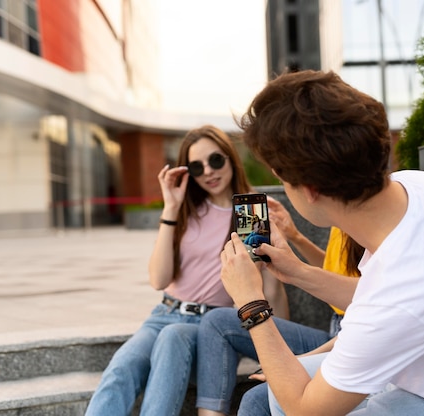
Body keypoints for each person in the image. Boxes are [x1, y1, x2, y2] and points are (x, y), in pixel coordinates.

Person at [218, 70, 424, 415]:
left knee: (279, 400)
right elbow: (379, 298)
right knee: (260, 400)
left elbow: (306, 410)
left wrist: (251, 302)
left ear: (311, 191)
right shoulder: (423, 187)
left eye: (281, 178)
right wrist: (298, 273)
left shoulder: (411, 281)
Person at [85, 125, 288, 415]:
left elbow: (267, 283)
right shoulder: (186, 208)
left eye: (215, 160)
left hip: (208, 324)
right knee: (121, 368)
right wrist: (170, 208)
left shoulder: (250, 212)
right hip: (163, 315)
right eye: (196, 166)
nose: (208, 171)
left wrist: (277, 347)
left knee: (173, 338)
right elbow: (159, 279)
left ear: (230, 158)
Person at [196, 197, 362, 416]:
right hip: (339, 329)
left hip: (353, 336)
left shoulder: (364, 222)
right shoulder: (342, 219)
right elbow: (338, 273)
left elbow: (376, 312)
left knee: (256, 398)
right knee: (215, 322)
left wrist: (250, 300)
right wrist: (295, 240)